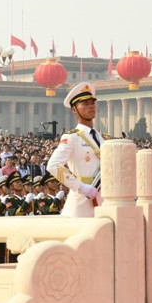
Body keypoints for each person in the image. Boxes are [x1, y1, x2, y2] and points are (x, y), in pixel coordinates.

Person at [46, 83, 108, 218]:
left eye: (92, 103)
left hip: (103, 200)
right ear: (74, 110)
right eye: (85, 103)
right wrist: (80, 187)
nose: (91, 106)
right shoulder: (72, 137)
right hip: (82, 201)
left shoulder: (103, 138)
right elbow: (53, 165)